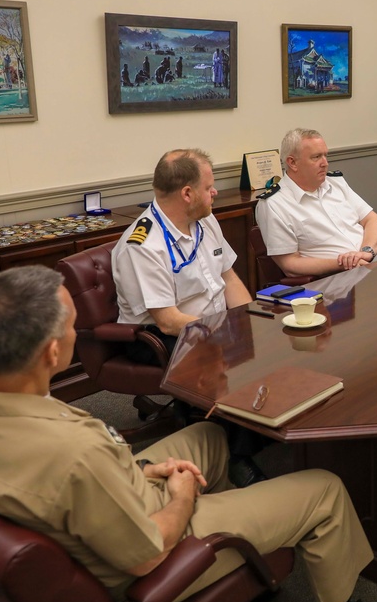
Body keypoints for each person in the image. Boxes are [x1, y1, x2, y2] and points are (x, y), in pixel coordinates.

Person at [0, 266, 377, 602]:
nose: (76, 333)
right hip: (152, 549)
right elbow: (149, 553)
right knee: (323, 488)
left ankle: (254, 543)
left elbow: (70, 479)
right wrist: (180, 495)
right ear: (54, 351)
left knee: (211, 436)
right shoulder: (75, 453)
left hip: (109, 500)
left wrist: (141, 470)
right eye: (72, 326)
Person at [111, 148, 263, 486]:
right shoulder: (144, 244)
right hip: (157, 336)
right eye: (210, 186)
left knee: (266, 340)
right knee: (222, 358)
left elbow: (229, 277)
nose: (215, 192)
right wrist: (223, 332)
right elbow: (166, 319)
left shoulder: (205, 220)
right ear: (187, 193)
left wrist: (250, 319)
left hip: (209, 323)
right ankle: (237, 458)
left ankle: (266, 433)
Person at [255, 128, 377, 278]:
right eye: (316, 157)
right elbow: (290, 264)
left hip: (370, 269)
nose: (325, 163)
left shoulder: (336, 183)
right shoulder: (274, 203)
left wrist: (365, 252)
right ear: (292, 162)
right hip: (331, 283)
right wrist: (345, 263)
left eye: (325, 155)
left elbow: (374, 220)